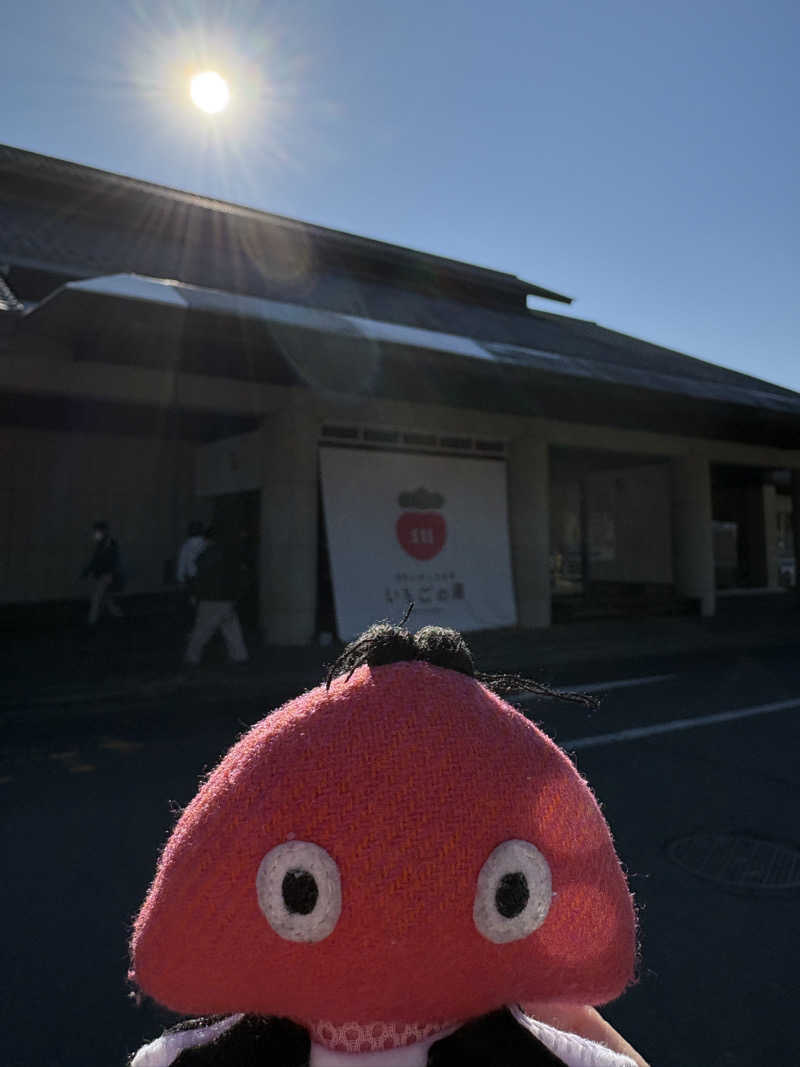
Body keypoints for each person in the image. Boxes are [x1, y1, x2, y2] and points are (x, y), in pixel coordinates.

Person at [184, 526, 249, 665]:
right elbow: (239, 576)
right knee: (232, 631)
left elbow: (200, 578)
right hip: (227, 598)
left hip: (211, 599)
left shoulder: (207, 555)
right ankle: (239, 657)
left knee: (201, 631)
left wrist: (195, 594)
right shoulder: (230, 555)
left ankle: (191, 658)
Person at [80, 519, 124, 626]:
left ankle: (92, 621)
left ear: (103, 531)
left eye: (97, 532)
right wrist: (88, 571)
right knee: (106, 598)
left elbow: (104, 560)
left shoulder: (109, 544)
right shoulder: (102, 544)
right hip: (104, 575)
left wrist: (88, 571)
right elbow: (96, 560)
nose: (96, 534)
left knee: (96, 597)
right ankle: (119, 615)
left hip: (107, 575)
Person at [176, 520, 207, 587]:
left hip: (193, 578)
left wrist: (180, 578)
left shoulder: (186, 546)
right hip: (205, 577)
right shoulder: (206, 544)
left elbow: (182, 562)